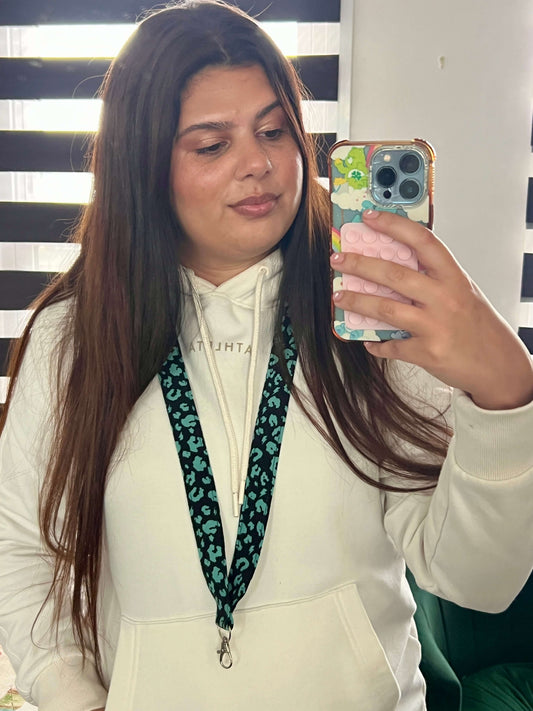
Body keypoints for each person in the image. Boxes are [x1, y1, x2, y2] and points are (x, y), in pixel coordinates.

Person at [0, 1, 532, 710]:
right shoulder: (75, 339)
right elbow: (22, 551)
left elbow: (479, 580)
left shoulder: (371, 319)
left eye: (274, 130)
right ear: (143, 165)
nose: (258, 164)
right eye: (211, 145)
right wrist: (77, 699)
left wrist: (504, 396)